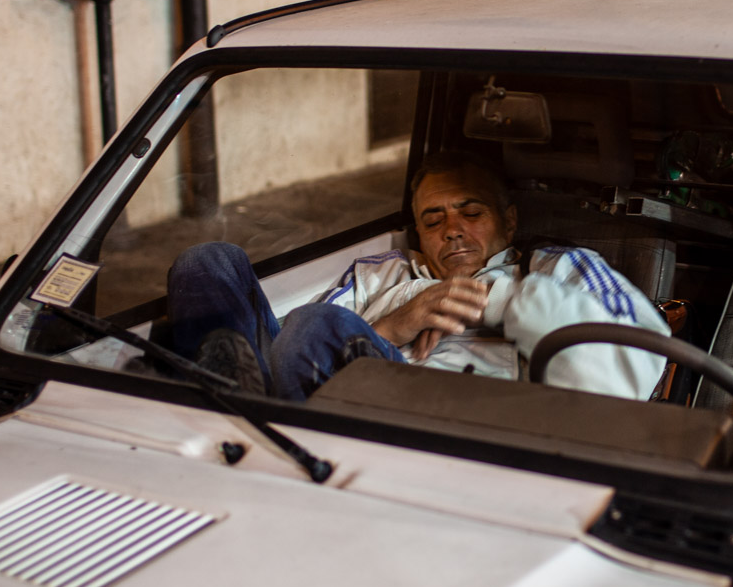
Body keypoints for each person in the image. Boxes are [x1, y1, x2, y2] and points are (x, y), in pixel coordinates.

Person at [163, 151, 670, 402]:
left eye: (471, 212)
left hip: (455, 421)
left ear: (509, 222)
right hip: (332, 401)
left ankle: (232, 409)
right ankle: (234, 408)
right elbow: (292, 352)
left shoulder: (560, 267)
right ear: (419, 233)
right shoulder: (380, 273)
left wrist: (490, 301)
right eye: (434, 219)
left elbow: (636, 362)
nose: (452, 229)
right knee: (207, 263)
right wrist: (395, 325)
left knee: (312, 324)